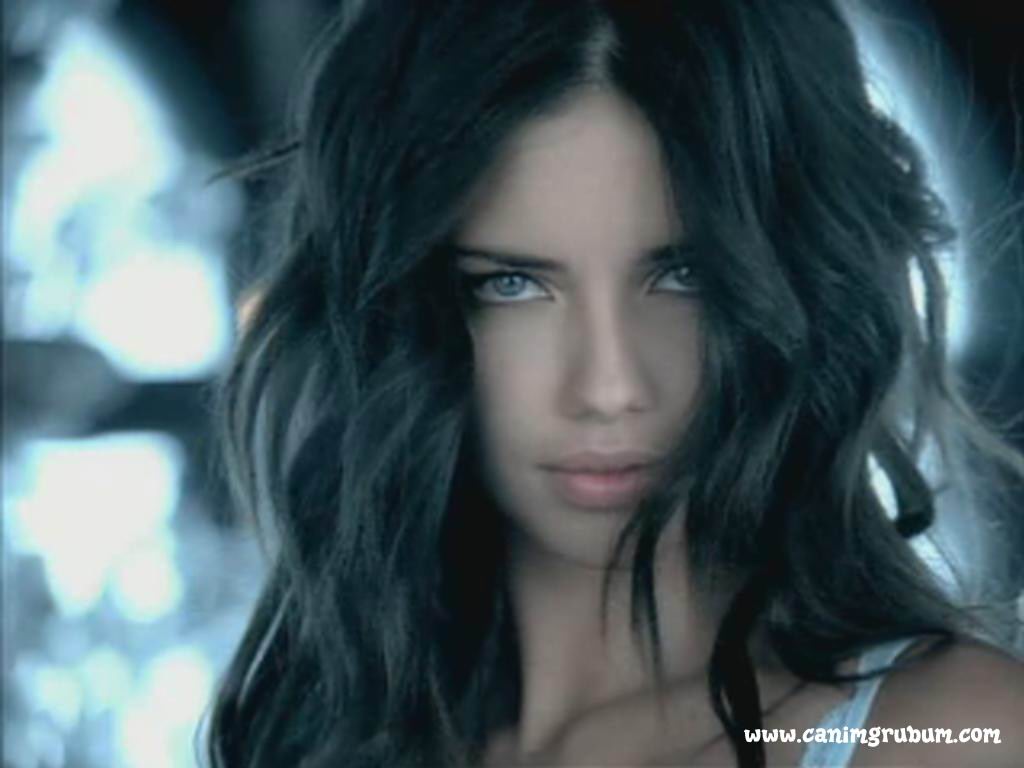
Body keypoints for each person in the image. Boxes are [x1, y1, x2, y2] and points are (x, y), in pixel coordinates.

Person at [205, 1, 1024, 765]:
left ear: (804, 290)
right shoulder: (322, 740)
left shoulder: (951, 729)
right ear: (398, 316)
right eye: (510, 285)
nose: (609, 386)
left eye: (684, 276)